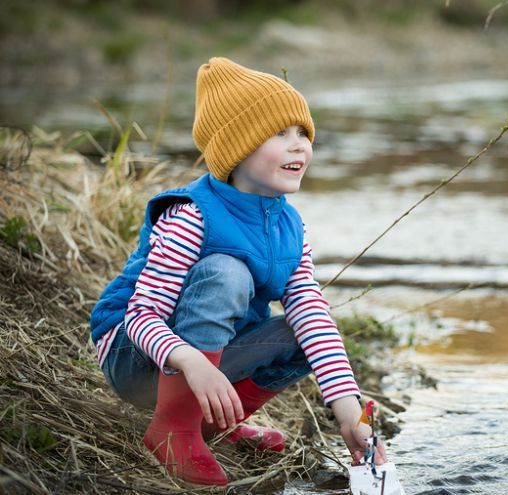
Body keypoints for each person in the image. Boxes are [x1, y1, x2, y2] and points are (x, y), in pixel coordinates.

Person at [89, 57, 386, 486]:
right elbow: (140, 318)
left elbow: (310, 313)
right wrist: (192, 362)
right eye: (279, 134)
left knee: (311, 331)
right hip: (137, 357)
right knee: (227, 272)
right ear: (237, 147)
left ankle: (212, 422)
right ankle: (174, 428)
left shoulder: (290, 225)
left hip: (206, 362)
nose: (299, 145)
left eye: (303, 133)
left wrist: (349, 412)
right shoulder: (193, 215)